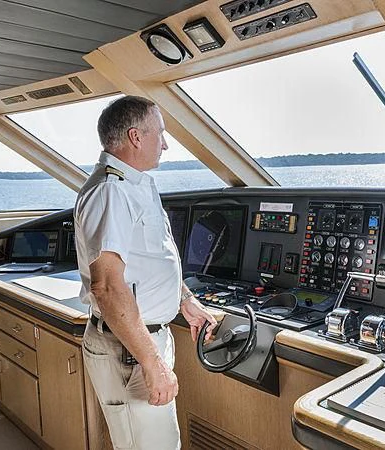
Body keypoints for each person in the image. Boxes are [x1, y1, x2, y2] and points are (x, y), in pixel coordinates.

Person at [74, 95, 217, 449]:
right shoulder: (111, 191)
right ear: (136, 137)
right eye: (161, 133)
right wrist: (152, 363)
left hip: (141, 344)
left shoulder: (134, 185)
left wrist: (185, 300)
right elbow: (107, 286)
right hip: (130, 350)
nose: (165, 144)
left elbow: (148, 260)